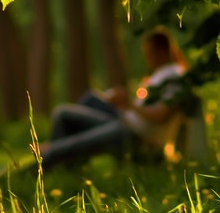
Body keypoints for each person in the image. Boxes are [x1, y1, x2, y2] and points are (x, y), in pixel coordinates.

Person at [38, 26, 188, 169]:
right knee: (88, 99)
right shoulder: (163, 74)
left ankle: (48, 155)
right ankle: (63, 157)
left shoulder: (174, 76)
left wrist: (128, 104)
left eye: (150, 54)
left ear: (162, 52)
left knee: (64, 119)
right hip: (127, 123)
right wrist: (123, 103)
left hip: (136, 136)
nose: (148, 59)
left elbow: (161, 115)